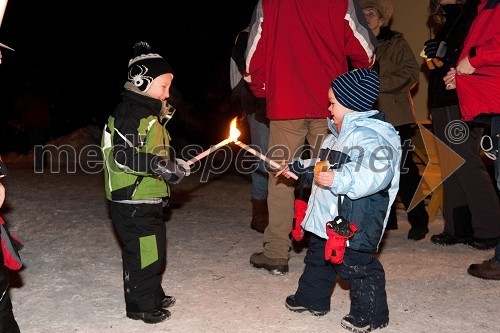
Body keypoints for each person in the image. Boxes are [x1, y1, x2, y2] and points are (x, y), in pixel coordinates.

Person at [245, 0, 376, 275]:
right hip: (331, 102)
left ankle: (276, 252)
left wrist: (263, 88)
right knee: (329, 175)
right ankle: (328, 247)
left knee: (281, 178)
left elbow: (253, 52)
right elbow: (365, 49)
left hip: (286, 100)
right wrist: (355, 85)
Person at [283, 69, 400, 332]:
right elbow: (323, 164)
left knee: (356, 266)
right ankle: (312, 300)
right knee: (318, 258)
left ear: (352, 106)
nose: (328, 107)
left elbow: (375, 173)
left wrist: (339, 178)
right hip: (327, 216)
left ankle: (371, 315)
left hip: (355, 219)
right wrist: (300, 167)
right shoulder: (335, 136)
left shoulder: (372, 138)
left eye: (333, 103)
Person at [101, 41, 188, 324]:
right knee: (144, 252)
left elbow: (155, 150)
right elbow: (124, 155)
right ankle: (141, 304)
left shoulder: (150, 115)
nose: (167, 93)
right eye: (162, 87)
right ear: (141, 82)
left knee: (153, 248)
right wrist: (160, 166)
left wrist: (171, 166)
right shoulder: (131, 114)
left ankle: (150, 292)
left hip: (145, 195)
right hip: (131, 196)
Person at [426, 0, 500, 250]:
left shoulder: (475, 11)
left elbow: (476, 50)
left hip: (461, 97)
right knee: (450, 164)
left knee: (466, 161)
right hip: (441, 97)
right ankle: (458, 227)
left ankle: (490, 228)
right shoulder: (450, 19)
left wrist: (447, 54)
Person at [360, 0, 430, 240]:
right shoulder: (356, 44)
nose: (367, 17)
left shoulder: (396, 41)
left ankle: (419, 220)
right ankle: (385, 220)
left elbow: (411, 74)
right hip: (366, 117)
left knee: (405, 170)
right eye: (364, 13)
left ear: (383, 18)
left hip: (395, 116)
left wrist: (377, 85)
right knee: (374, 170)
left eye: (372, 13)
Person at [230, 26, 270, 233]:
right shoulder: (247, 35)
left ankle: (286, 211)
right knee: (263, 157)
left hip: (287, 104)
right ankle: (260, 211)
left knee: (289, 159)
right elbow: (243, 71)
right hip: (259, 104)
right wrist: (250, 104)